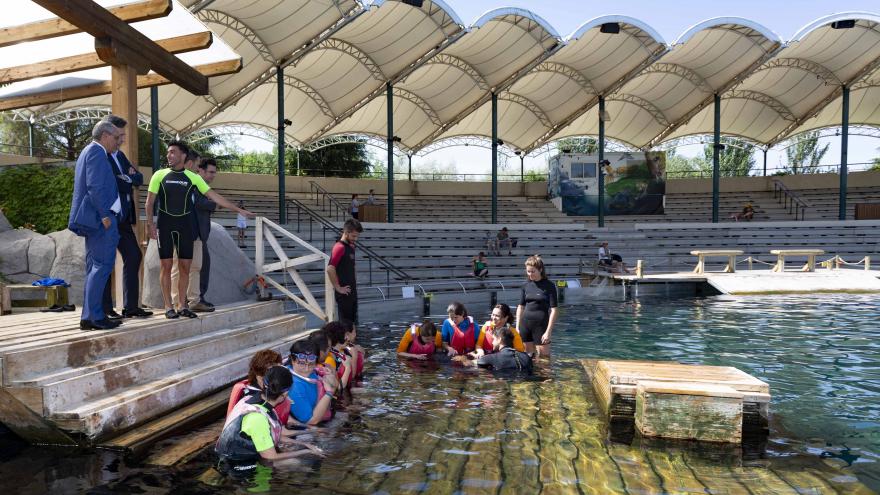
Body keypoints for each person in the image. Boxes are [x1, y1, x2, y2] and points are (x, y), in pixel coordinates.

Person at [144, 141, 254, 320]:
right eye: (168, 152)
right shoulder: (159, 175)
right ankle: (168, 306)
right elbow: (149, 203)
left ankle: (182, 305)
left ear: (183, 156)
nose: (169, 155)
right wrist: (150, 225)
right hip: (165, 226)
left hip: (185, 227)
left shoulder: (192, 177)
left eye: (173, 152)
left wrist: (238, 209)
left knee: (186, 267)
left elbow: (214, 196)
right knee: (166, 266)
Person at [68, 119, 123, 330]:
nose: (118, 142)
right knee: (101, 266)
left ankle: (90, 315)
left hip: (96, 220)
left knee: (95, 267)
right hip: (101, 220)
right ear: (106, 135)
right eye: (116, 138)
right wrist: (105, 215)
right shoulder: (96, 152)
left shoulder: (89, 151)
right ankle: (94, 317)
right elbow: (95, 186)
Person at [99, 115, 152, 319]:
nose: (122, 139)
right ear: (108, 133)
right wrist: (127, 178)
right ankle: (105, 309)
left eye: (123, 135)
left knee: (134, 255)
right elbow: (114, 183)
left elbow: (138, 178)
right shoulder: (101, 154)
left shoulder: (119, 156)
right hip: (108, 216)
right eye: (119, 135)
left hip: (123, 217)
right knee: (106, 261)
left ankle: (130, 307)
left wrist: (127, 177)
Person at [216, 366, 322, 466]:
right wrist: (306, 451)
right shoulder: (257, 418)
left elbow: (274, 435)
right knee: (297, 464)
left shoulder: (252, 400)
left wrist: (305, 443)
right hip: (238, 465)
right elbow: (270, 457)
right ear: (285, 394)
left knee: (294, 458)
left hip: (234, 456)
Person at [170, 149, 203, 312]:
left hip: (194, 231)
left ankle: (194, 301)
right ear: (189, 163)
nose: (199, 169)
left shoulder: (195, 182)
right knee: (178, 267)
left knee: (196, 266)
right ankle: (177, 302)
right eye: (197, 165)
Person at [226, 349, 291, 426]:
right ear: (260, 377)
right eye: (276, 373)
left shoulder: (271, 390)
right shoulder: (253, 400)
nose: (280, 375)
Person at [287, 339, 339, 426]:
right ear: (292, 360)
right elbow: (311, 421)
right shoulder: (294, 386)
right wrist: (329, 393)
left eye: (311, 364)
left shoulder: (315, 371)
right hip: (305, 432)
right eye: (302, 363)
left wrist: (331, 375)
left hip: (323, 418)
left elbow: (336, 385)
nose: (307, 369)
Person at [190, 158, 218, 312]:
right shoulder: (194, 184)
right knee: (196, 268)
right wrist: (213, 203)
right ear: (200, 170)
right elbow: (197, 203)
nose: (213, 175)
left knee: (204, 266)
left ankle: (200, 298)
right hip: (194, 234)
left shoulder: (204, 187)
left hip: (202, 236)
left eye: (214, 173)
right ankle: (195, 299)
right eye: (210, 172)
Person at [516, 255, 558, 357]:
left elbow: (554, 310)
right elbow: (520, 307)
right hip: (525, 325)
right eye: (528, 271)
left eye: (533, 271)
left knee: (544, 359)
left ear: (540, 269)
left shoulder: (549, 286)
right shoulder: (525, 285)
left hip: (541, 326)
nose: (530, 274)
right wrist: (517, 326)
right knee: (528, 357)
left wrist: (548, 331)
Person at [327, 218, 362, 324]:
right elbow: (330, 268)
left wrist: (355, 284)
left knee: (354, 324)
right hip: (344, 293)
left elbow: (353, 266)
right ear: (346, 233)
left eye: (357, 236)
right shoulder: (339, 247)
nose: (355, 239)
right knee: (346, 327)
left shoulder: (351, 246)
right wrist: (338, 288)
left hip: (352, 291)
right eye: (353, 236)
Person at [457, 326, 533, 373]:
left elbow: (469, 363)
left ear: (499, 340)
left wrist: (461, 358)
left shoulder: (492, 358)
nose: (492, 343)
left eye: (493, 339)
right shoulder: (526, 357)